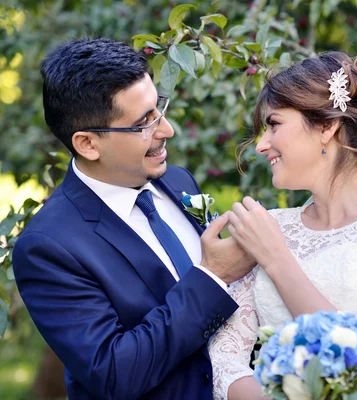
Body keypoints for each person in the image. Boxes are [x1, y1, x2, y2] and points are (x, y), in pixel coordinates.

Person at [12, 38, 256, 399]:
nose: (166, 130)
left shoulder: (177, 181)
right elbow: (115, 373)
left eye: (159, 109)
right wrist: (213, 277)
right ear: (88, 144)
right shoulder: (47, 247)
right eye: (144, 123)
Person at [208, 50, 357, 398]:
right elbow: (223, 355)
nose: (261, 145)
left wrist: (277, 259)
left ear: (327, 126)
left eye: (273, 124)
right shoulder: (271, 225)